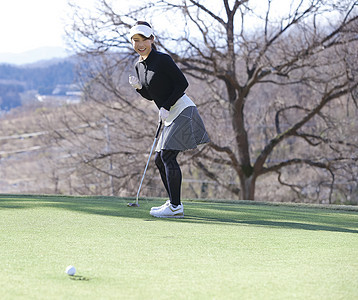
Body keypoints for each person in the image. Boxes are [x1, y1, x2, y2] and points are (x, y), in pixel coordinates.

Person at [128, 21, 210, 218]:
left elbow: (182, 83)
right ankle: (174, 203)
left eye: (144, 40)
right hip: (168, 114)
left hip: (182, 109)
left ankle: (175, 207)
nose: (140, 44)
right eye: (136, 40)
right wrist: (139, 89)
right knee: (159, 160)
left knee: (167, 156)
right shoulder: (138, 65)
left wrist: (166, 105)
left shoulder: (162, 60)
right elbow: (151, 95)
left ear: (152, 40)